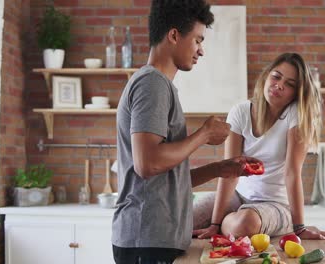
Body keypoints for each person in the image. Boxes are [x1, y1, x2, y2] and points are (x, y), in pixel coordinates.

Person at [112, 1, 262, 263]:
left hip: (155, 239)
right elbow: (147, 164)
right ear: (173, 35)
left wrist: (219, 169)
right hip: (147, 240)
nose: (201, 51)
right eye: (197, 40)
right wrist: (203, 134)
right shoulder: (152, 84)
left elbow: (163, 179)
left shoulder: (159, 85)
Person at [193, 53, 325, 241]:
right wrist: (214, 224)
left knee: (245, 224)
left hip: (275, 206)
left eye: (290, 84)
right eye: (276, 76)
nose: (280, 85)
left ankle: (231, 224)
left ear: (296, 93)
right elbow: (230, 172)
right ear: (267, 75)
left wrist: (299, 228)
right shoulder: (240, 112)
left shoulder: (296, 115)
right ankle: (226, 225)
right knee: (182, 219)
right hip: (238, 196)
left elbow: (292, 173)